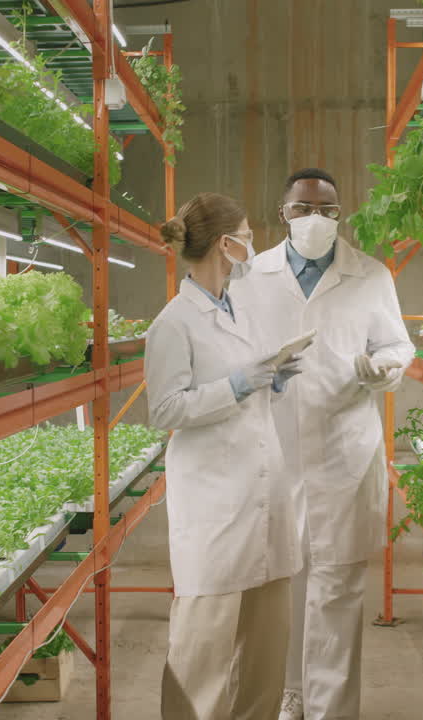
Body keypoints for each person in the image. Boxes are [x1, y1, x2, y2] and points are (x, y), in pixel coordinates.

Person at [231, 169, 415, 720]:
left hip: (344, 450)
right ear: (281, 214)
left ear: (341, 215)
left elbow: (396, 342)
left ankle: (331, 710)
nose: (316, 219)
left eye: (328, 210)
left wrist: (385, 368)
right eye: (303, 208)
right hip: (273, 448)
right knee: (278, 581)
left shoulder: (369, 274)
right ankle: (289, 691)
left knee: (336, 587)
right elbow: (225, 348)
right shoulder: (249, 275)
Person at [145, 192, 305, 720]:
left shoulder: (240, 306)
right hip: (214, 503)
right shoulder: (174, 322)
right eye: (246, 236)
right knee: (202, 652)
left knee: (265, 648)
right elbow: (165, 409)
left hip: (262, 493)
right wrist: (236, 386)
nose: (252, 246)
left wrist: (270, 378)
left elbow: (247, 378)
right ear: (224, 244)